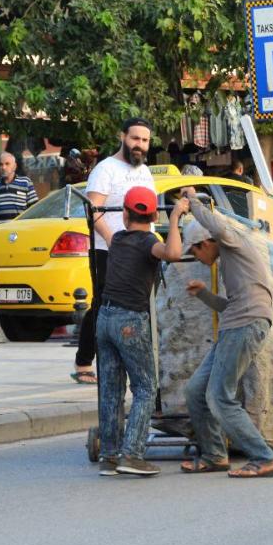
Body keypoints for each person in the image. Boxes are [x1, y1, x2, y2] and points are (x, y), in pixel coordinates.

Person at [177, 188, 273, 478]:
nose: (197, 258)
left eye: (195, 251)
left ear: (206, 242)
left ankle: (264, 458)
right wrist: (204, 294)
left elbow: (217, 226)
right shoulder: (230, 261)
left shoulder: (232, 241)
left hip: (245, 326)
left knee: (219, 397)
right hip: (236, 325)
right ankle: (214, 455)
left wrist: (192, 202)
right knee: (195, 390)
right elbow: (230, 307)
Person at [93, 186, 189, 478]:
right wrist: (176, 217)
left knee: (111, 390)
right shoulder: (149, 242)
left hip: (104, 318)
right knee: (146, 388)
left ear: (125, 214)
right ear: (153, 217)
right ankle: (132, 455)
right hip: (129, 321)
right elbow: (173, 253)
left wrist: (96, 211)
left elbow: (100, 224)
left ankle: (109, 456)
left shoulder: (118, 240)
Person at [72, 119, 155, 385]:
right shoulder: (105, 169)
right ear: (123, 137)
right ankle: (84, 362)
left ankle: (137, 363)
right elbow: (93, 210)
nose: (139, 145)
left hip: (141, 250)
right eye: (135, 138)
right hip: (107, 250)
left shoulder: (145, 172)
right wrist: (113, 241)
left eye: (144, 140)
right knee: (103, 305)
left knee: (142, 304)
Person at [0, 152, 38, 222]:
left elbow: (34, 207)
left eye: (7, 164)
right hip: (1, 227)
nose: (3, 167)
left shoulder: (25, 182)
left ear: (14, 166)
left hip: (20, 227)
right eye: (0, 164)